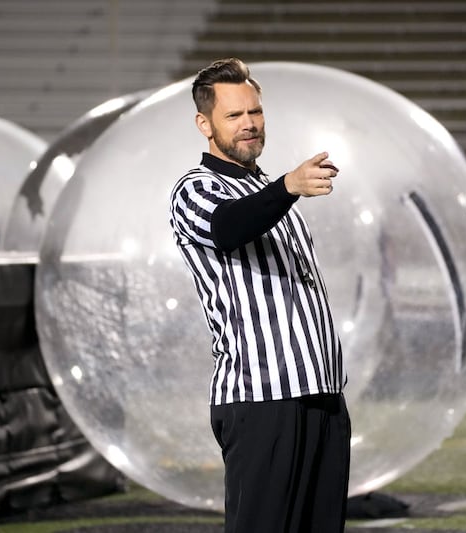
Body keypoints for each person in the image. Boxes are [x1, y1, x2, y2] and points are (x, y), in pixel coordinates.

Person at [169, 57, 351, 532]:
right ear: (204, 124)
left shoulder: (268, 194)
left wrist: (281, 191)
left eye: (255, 112)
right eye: (233, 115)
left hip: (323, 393)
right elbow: (230, 227)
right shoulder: (196, 188)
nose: (249, 124)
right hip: (261, 399)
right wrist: (288, 186)